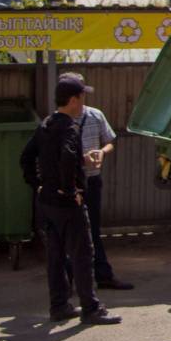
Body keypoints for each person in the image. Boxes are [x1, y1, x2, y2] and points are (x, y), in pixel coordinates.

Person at [20, 78, 121, 325]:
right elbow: (66, 157)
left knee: (55, 256)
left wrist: (38, 184)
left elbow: (26, 157)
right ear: (74, 100)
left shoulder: (46, 124)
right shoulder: (69, 128)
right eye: (82, 97)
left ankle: (59, 306)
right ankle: (91, 308)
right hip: (67, 204)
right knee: (83, 255)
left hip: (47, 202)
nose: (83, 102)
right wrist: (71, 190)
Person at [62, 72, 134, 291]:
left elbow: (110, 140)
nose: (83, 98)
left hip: (92, 181)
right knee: (69, 233)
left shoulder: (95, 115)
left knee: (92, 229)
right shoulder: (58, 121)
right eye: (80, 93)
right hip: (68, 185)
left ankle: (102, 275)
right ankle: (69, 281)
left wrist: (102, 152)